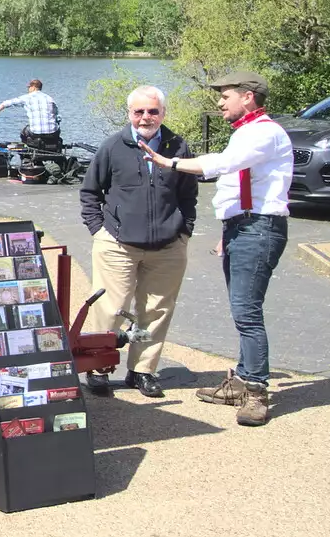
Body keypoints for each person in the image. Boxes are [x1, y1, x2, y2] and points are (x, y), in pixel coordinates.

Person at [139, 72, 292, 427]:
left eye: (227, 96)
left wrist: (169, 163)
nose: (220, 103)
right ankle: (241, 380)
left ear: (248, 97)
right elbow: (235, 184)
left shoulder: (264, 132)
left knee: (247, 313)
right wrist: (231, 226)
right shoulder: (247, 132)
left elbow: (223, 165)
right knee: (242, 310)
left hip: (259, 227)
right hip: (245, 226)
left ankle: (255, 392)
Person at [78, 86, 197, 398]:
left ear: (163, 114)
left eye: (153, 111)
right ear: (129, 114)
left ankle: (142, 370)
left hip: (168, 245)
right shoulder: (113, 146)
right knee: (111, 308)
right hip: (117, 244)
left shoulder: (177, 146)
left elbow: (188, 195)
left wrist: (185, 231)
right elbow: (90, 192)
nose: (146, 117)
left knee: (156, 309)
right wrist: (98, 230)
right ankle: (99, 368)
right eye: (139, 112)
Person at [0, 78, 62, 151]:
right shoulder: (49, 98)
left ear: (33, 87)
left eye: (29, 87)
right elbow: (57, 115)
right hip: (53, 133)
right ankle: (54, 149)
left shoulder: (27, 97)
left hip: (35, 133)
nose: (28, 89)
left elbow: (6, 103)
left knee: (24, 131)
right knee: (56, 127)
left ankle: (26, 155)